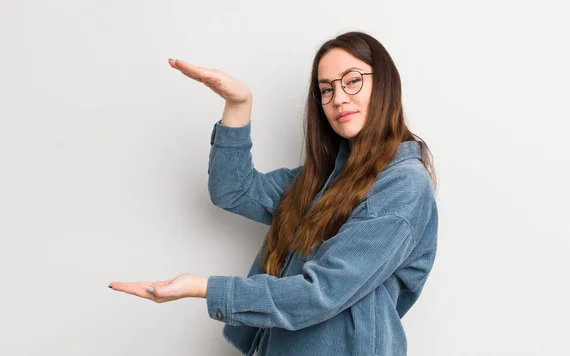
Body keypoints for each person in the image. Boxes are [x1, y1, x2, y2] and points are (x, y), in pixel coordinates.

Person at [109, 31, 438, 356]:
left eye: (352, 81)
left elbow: (322, 292)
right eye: (326, 89)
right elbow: (234, 191)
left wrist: (203, 287)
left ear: (385, 85)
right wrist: (238, 105)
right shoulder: (321, 179)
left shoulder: (404, 185)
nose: (338, 98)